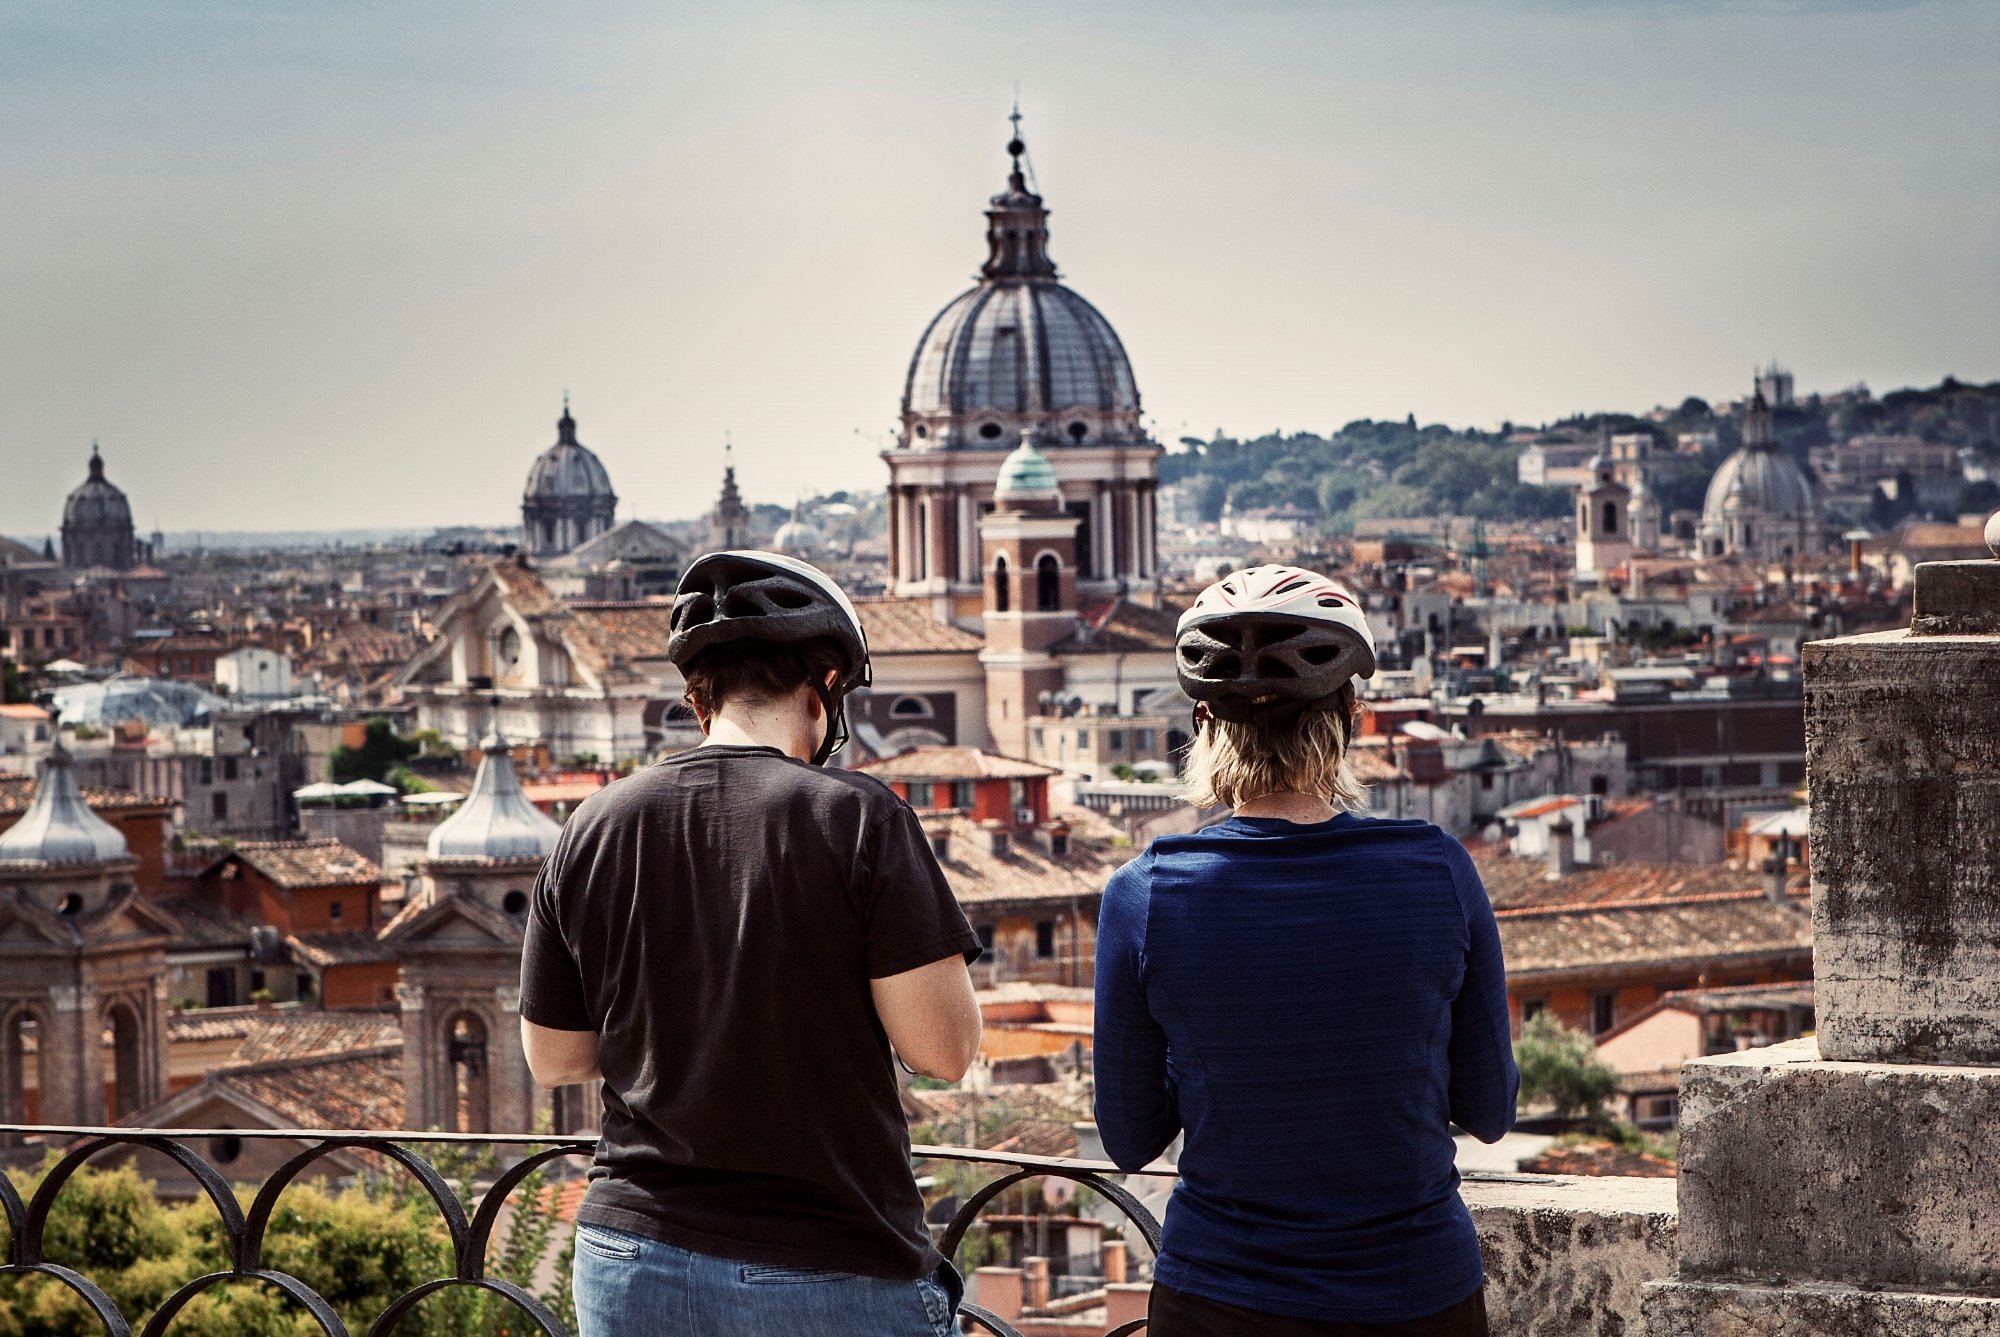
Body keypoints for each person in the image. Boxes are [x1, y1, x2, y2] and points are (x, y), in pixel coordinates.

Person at [519, 550, 984, 1337]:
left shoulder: (592, 825)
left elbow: (554, 1058)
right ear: (827, 687)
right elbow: (944, 1049)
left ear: (696, 698)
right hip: (828, 1259)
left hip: (631, 1252)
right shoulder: (858, 817)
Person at [1093, 564, 1518, 1337]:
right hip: (1418, 1296)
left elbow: (1128, 1135)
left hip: (1222, 1300)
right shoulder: (1439, 869)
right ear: (1352, 713)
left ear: (1203, 721)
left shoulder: (1145, 892)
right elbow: (1489, 1108)